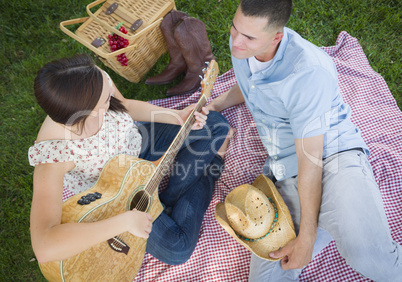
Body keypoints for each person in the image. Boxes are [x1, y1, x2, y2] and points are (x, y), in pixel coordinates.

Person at [207, 0, 402, 281]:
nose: (236, 42)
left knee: (370, 257)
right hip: (286, 172)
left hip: (334, 160)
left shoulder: (309, 73)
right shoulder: (245, 44)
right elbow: (249, 81)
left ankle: (329, 224)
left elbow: (310, 159)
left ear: (277, 36)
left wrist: (306, 237)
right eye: (235, 28)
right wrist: (215, 104)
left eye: (248, 37)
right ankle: (327, 222)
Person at [28, 53, 232, 267]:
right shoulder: (54, 154)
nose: (110, 96)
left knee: (215, 125)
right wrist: (123, 223)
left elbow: (124, 105)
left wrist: (177, 116)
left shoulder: (95, 80)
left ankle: (168, 199)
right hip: (119, 193)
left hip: (139, 145)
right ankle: (212, 167)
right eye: (106, 100)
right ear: (85, 112)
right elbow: (44, 246)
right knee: (178, 250)